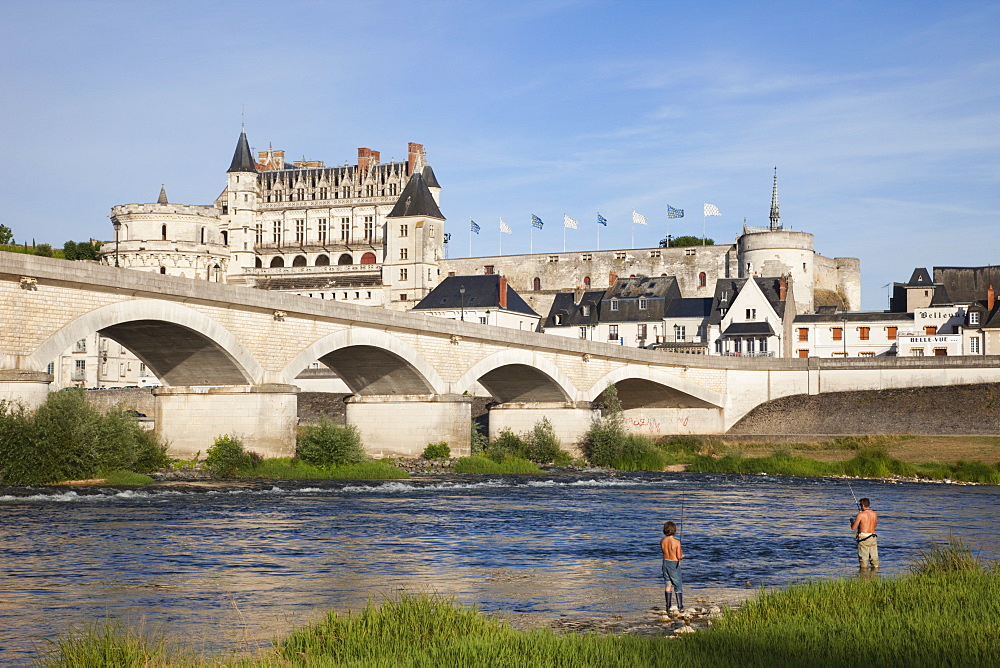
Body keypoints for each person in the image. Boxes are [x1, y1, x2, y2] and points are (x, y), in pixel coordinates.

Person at [660, 521, 684, 611]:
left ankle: (668, 605)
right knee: (678, 585)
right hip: (674, 564)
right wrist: (681, 553)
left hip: (665, 562)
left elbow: (664, 552)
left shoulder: (662, 541)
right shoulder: (677, 542)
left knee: (668, 583)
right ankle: (680, 606)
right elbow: (678, 556)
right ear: (674, 531)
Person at [850, 497, 879, 569]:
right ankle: (875, 574)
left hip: (863, 538)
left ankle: (864, 575)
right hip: (873, 537)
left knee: (863, 560)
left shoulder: (860, 515)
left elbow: (853, 527)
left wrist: (852, 521)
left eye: (860, 505)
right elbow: (875, 525)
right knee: (874, 558)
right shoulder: (874, 513)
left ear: (862, 505)